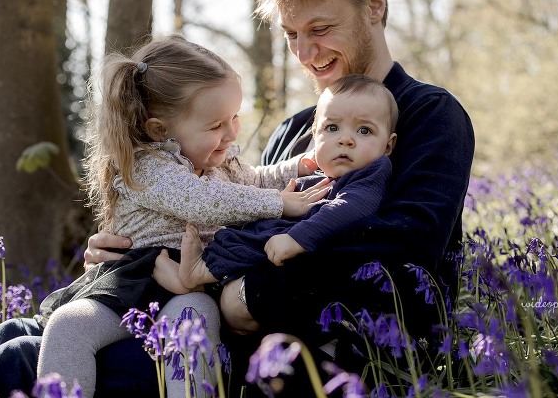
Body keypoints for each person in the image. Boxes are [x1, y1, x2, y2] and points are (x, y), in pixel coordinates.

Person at [0, 0, 475, 396]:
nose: (306, 52)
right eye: (291, 35)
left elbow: (403, 250)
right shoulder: (297, 130)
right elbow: (231, 216)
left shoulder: (429, 116)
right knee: (7, 335)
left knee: (17, 359)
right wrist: (133, 250)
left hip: (312, 353)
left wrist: (242, 294)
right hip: (190, 307)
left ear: (375, 6)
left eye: (321, 29)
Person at [0, 35, 330, 398]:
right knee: (68, 327)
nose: (231, 133)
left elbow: (256, 178)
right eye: (215, 126)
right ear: (160, 129)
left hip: (193, 282)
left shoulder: (218, 162)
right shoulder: (147, 167)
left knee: (192, 327)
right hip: (134, 281)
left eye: (234, 118)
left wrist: (301, 165)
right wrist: (279, 203)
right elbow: (201, 202)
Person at [154, 75, 397, 333]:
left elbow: (351, 208)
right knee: (240, 236)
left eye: (364, 130)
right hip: (277, 246)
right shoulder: (317, 175)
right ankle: (199, 273)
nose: (346, 140)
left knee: (254, 242)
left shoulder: (371, 173)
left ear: (388, 146)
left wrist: (297, 238)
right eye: (332, 128)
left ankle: (199, 274)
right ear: (315, 136)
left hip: (304, 250)